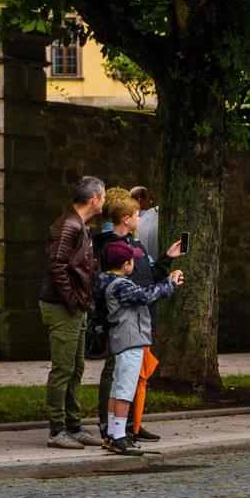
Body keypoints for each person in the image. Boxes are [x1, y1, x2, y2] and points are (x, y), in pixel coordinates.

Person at [92, 187, 184, 441]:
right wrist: (169, 285)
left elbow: (148, 276)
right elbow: (131, 291)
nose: (140, 218)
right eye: (136, 214)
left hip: (142, 318)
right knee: (117, 375)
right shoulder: (111, 249)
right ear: (126, 218)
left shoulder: (134, 244)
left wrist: (167, 258)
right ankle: (111, 426)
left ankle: (130, 424)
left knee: (134, 376)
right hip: (123, 322)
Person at [38, 176, 106, 450]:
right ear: (95, 199)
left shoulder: (80, 226)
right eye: (103, 196)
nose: (104, 200)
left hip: (75, 306)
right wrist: (73, 300)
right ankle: (57, 430)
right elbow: (56, 267)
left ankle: (73, 426)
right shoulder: (68, 225)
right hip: (62, 307)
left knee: (76, 368)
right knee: (63, 369)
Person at [129, 186, 160, 254]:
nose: (150, 202)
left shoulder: (125, 215)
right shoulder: (147, 216)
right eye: (148, 199)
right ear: (140, 200)